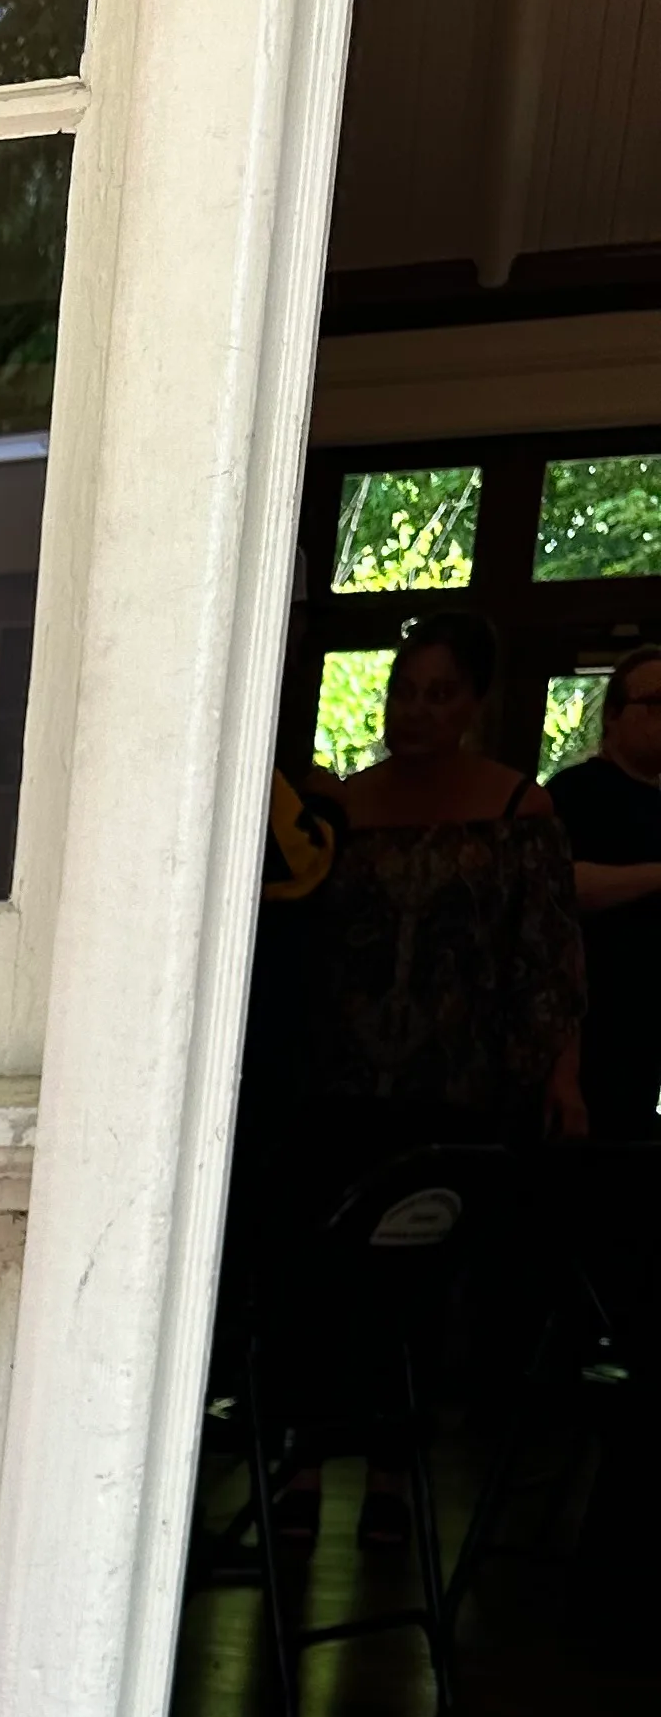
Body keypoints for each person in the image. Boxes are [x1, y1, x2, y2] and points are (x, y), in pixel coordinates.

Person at [269, 611, 586, 1544]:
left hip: (456, 1086)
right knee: (320, 1273)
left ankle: (393, 1477)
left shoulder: (518, 808)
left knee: (415, 1283)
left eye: (439, 694)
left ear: (474, 704)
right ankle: (302, 1467)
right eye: (404, 692)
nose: (415, 711)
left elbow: (547, 955)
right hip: (336, 1079)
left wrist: (560, 1070)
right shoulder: (344, 808)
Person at [546, 641, 661, 1142]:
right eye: (655, 703)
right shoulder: (576, 791)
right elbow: (558, 889)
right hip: (584, 1029)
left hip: (642, 1035)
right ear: (612, 715)